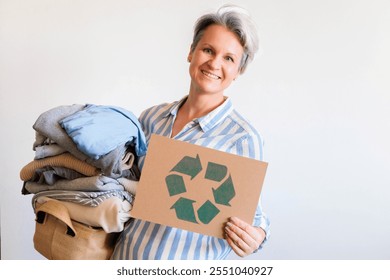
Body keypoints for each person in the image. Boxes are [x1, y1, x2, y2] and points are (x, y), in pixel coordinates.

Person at [111, 4, 270, 260]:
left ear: (239, 71)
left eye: (229, 58)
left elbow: (256, 218)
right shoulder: (151, 118)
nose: (214, 63)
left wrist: (258, 236)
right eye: (208, 50)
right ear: (191, 52)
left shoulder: (243, 138)